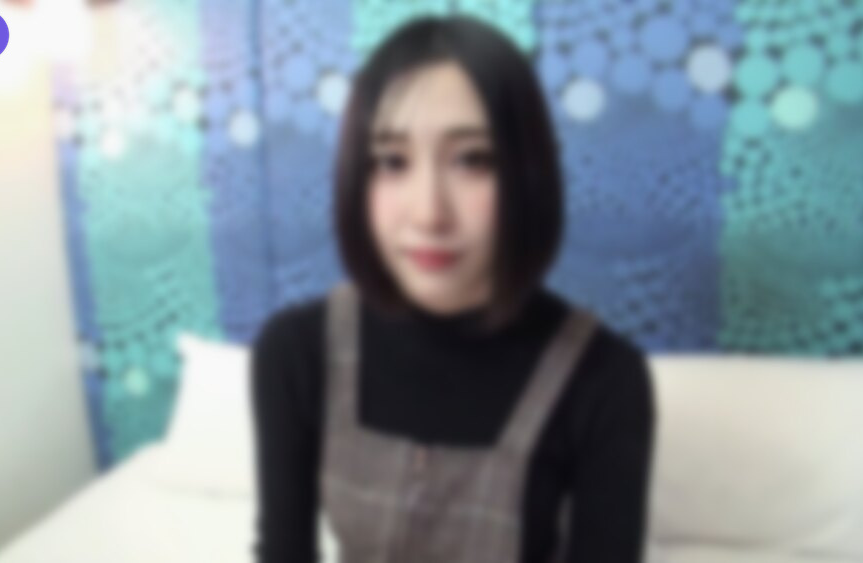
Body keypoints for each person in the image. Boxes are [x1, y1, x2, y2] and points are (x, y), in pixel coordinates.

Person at [250, 15, 655, 563]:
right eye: (392, 161)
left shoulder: (604, 379)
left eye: (473, 160)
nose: (428, 213)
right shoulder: (296, 353)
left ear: (527, 173)